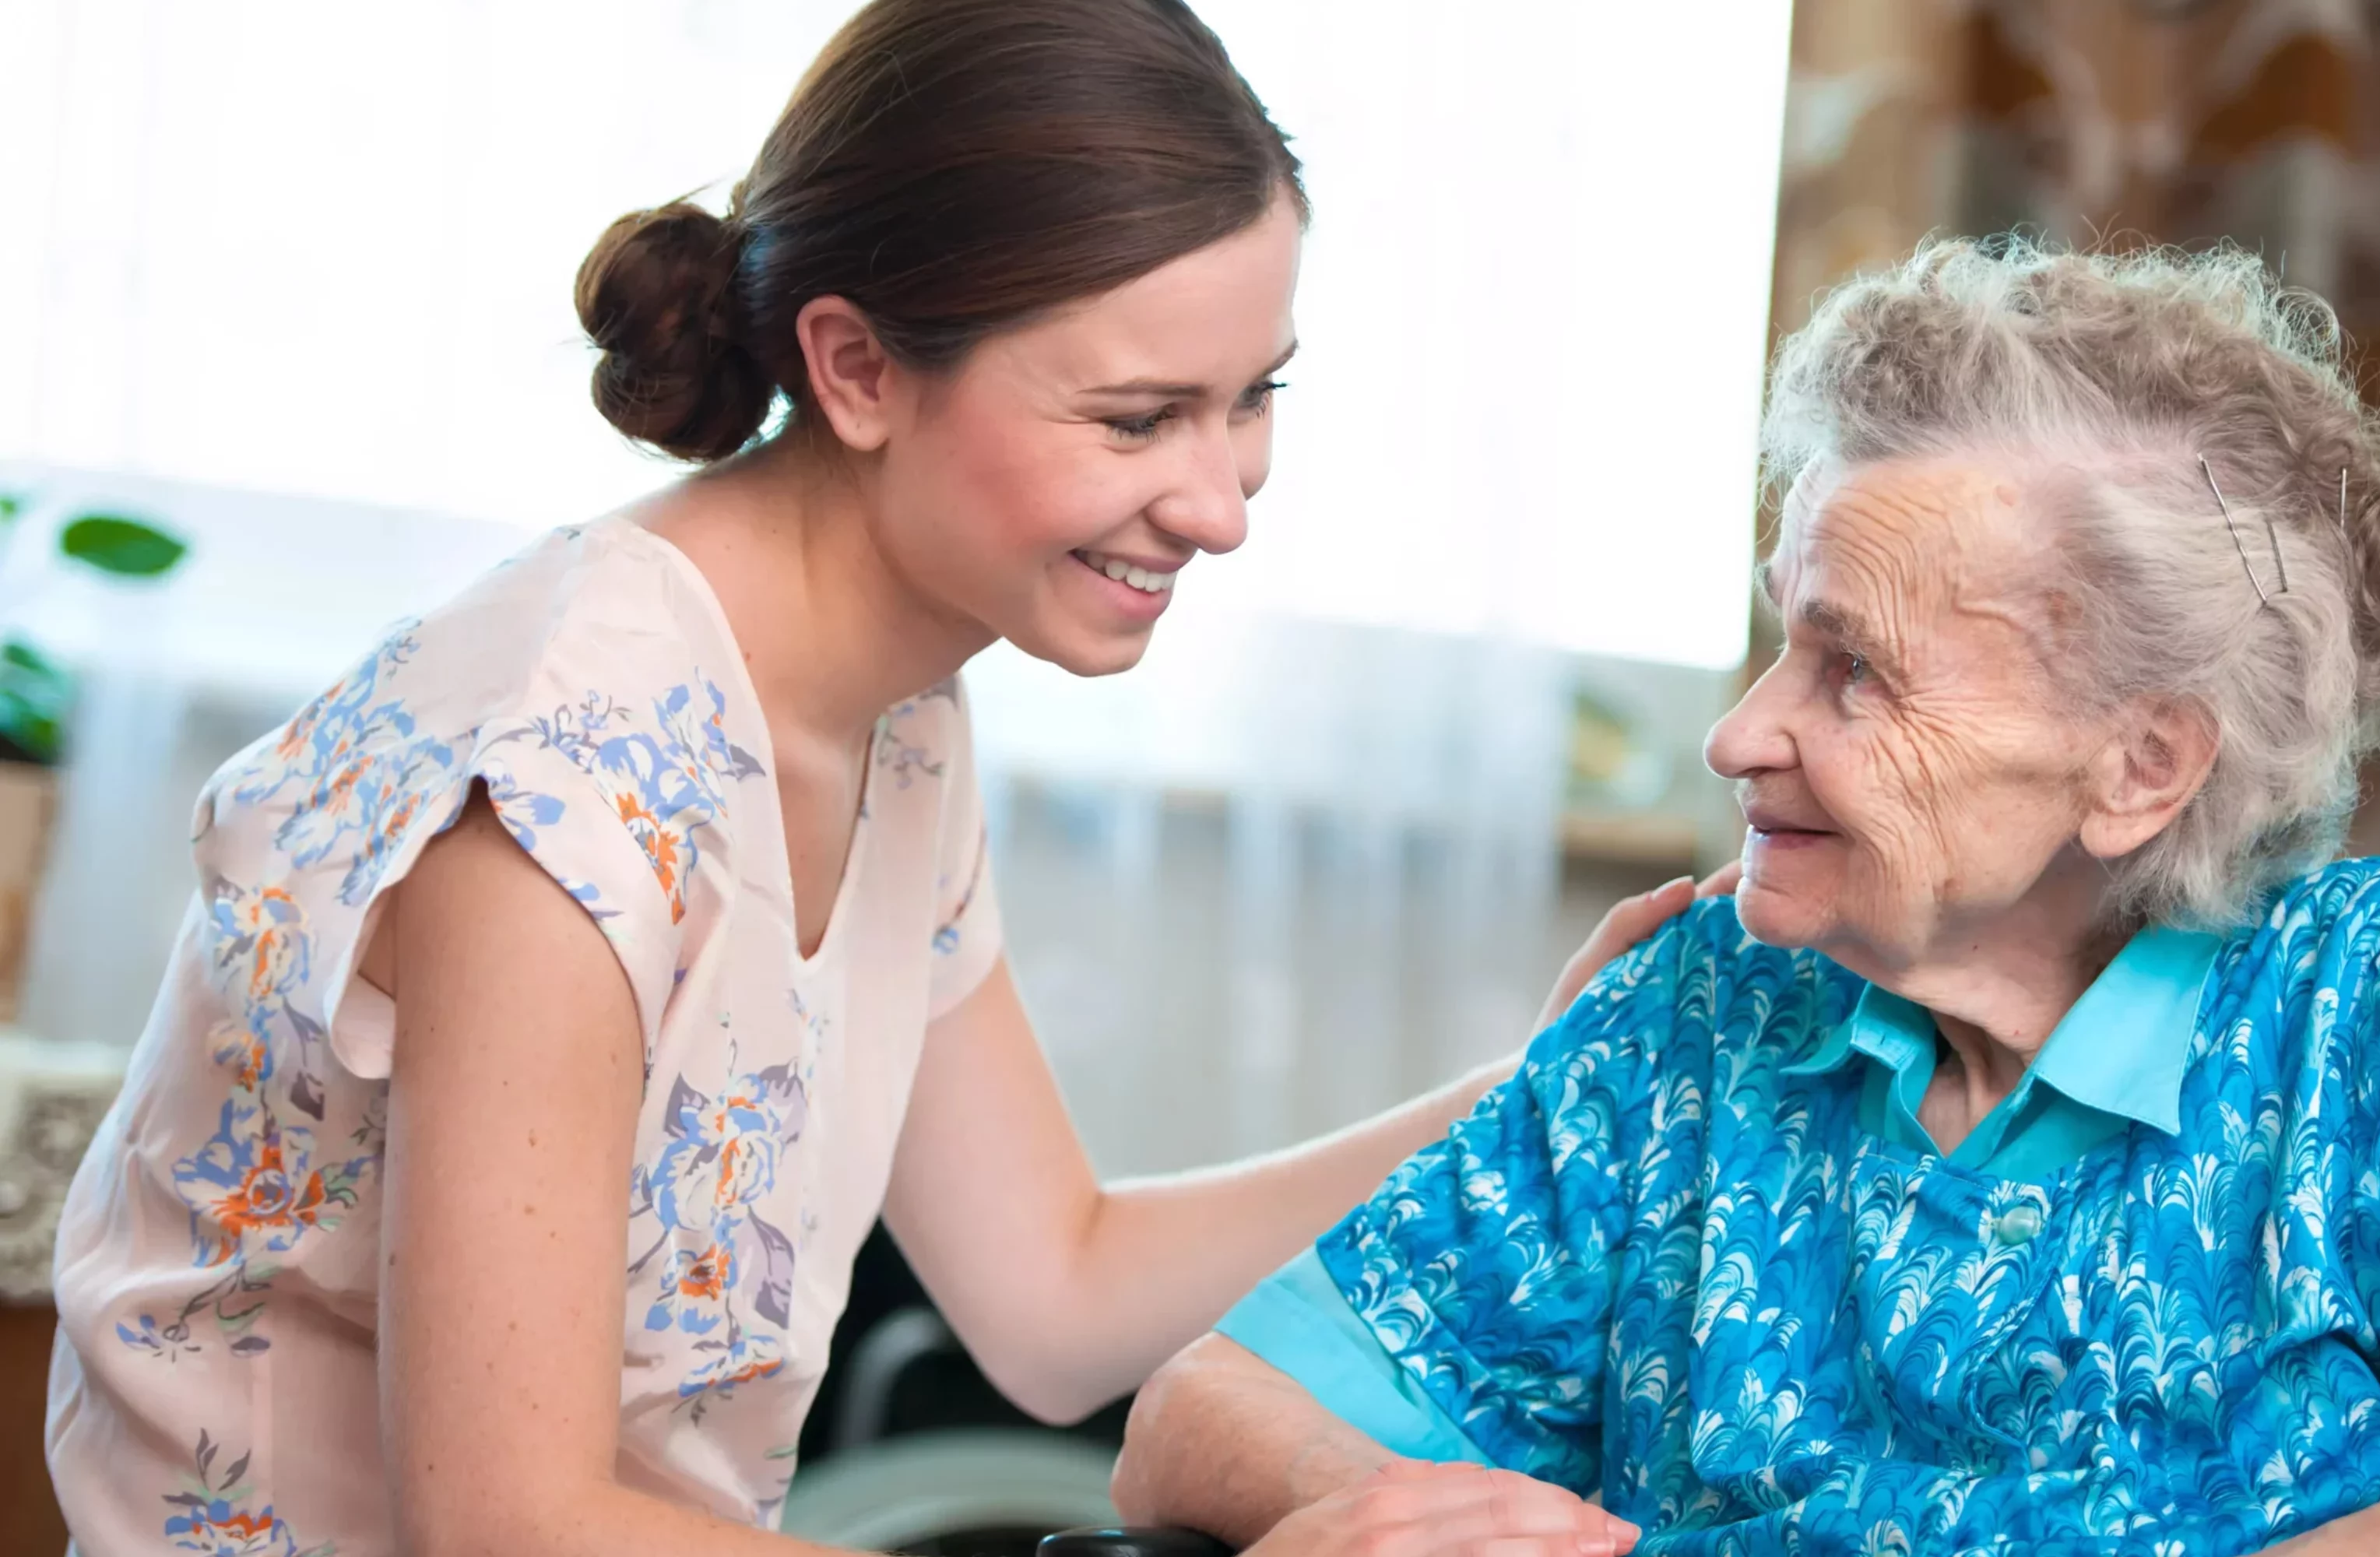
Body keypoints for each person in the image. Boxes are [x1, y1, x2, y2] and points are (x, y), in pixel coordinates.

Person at [42, 3, 1707, 1552]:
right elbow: (511, 1528)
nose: (1221, 506)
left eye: (1249, 398)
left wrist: (1544, 1084)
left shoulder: (892, 719)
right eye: (1138, 420)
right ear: (854, 369)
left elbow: (1054, 1297)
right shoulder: (561, 790)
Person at [1114, 239, 2380, 1557]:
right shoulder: (1706, 999)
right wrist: (1386, 1515)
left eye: (1855, 670)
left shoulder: (2378, 994)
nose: (1737, 736)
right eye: (1784, 638)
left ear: (2139, 766)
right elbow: (1198, 1413)